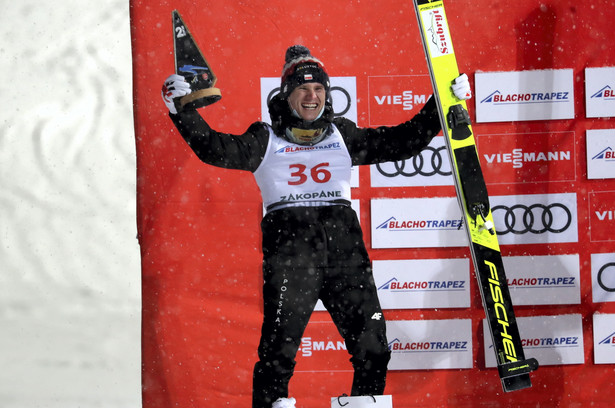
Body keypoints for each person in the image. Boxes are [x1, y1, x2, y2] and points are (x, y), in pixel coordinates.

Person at [161, 45, 471, 408]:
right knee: (277, 358)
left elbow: (402, 141)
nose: (313, 96)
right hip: (292, 264)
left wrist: (441, 104)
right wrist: (180, 109)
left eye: (320, 89)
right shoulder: (265, 138)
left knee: (373, 350)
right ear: (286, 95)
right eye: (303, 89)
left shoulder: (343, 134)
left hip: (346, 261)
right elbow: (213, 148)